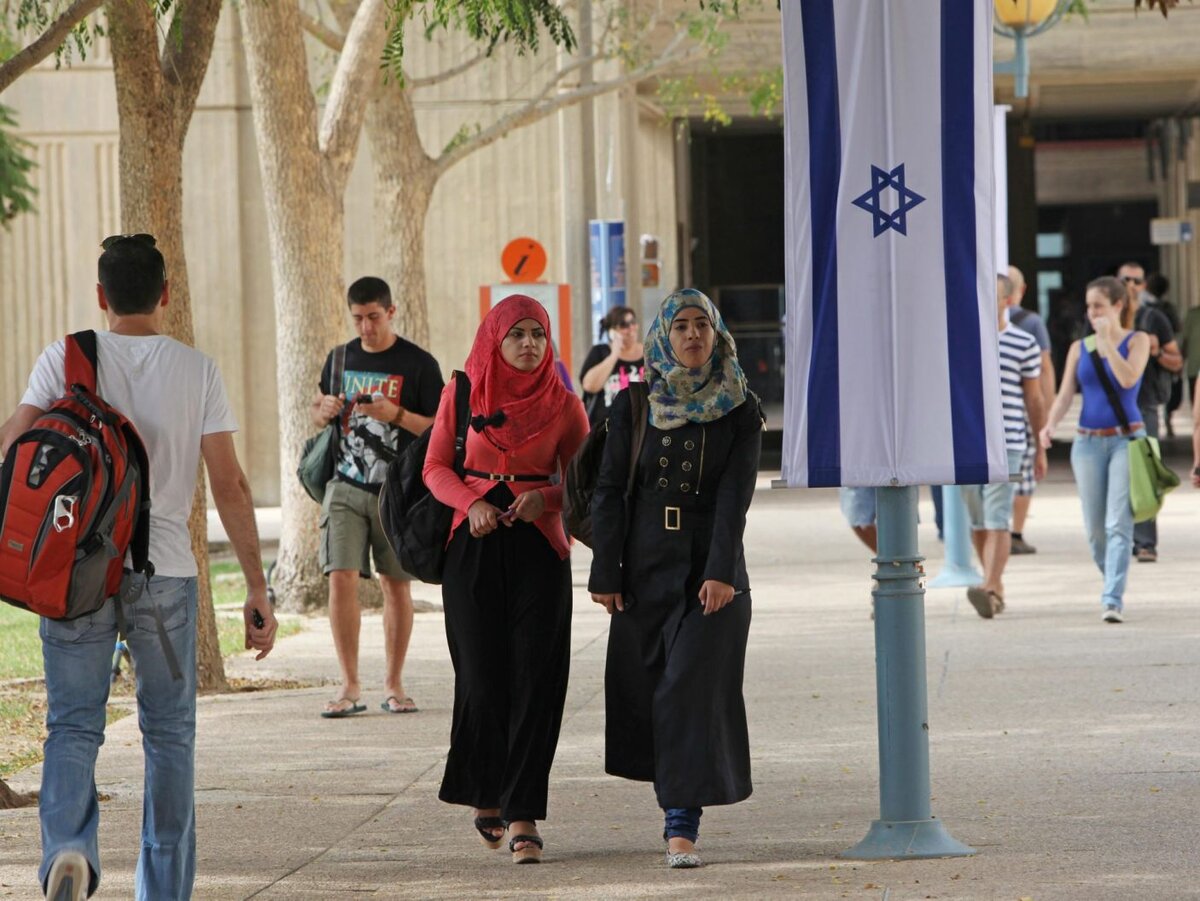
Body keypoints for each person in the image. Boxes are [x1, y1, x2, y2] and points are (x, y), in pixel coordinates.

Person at [0, 234, 277, 901]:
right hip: (166, 575)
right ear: (165, 293)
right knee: (169, 734)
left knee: (72, 723)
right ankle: (162, 890)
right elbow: (231, 483)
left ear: (101, 296)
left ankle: (68, 848)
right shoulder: (197, 369)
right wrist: (258, 586)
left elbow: (14, 447)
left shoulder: (64, 359)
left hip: (76, 574)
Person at [589, 289, 762, 870]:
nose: (692, 337)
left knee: (688, 688)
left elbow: (735, 497)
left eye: (702, 327)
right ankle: (675, 803)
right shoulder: (634, 404)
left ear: (717, 335)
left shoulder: (741, 407)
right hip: (642, 570)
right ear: (665, 336)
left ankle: (681, 823)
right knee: (652, 691)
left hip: (709, 572)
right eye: (681, 326)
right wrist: (605, 569)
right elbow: (610, 490)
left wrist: (720, 572)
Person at [423, 295, 588, 864]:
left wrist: (545, 497)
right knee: (481, 676)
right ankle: (484, 790)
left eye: (537, 334)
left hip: (539, 549)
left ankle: (523, 814)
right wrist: (470, 504)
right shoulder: (463, 391)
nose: (528, 344)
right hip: (472, 546)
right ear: (495, 339)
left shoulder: (566, 405)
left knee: (536, 682)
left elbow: (588, 486)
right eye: (516, 334)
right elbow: (435, 466)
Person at [310, 277, 444, 717]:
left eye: (373, 317)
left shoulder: (418, 363)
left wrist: (397, 414)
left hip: (397, 491)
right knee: (340, 576)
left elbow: (440, 430)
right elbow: (317, 411)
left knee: (395, 583)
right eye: (357, 319)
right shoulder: (340, 358)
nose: (365, 327)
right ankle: (348, 685)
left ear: (391, 312)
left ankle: (394, 683)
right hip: (345, 485)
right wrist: (322, 411)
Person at [1041, 276, 1150, 624]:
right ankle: (1112, 580)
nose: (1091, 313)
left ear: (1118, 306)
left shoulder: (1139, 340)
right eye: (1088, 306)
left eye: (1098, 306)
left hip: (1126, 440)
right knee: (1095, 529)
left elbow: (1128, 379)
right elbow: (1064, 395)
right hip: (1087, 442)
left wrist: (1106, 343)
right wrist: (1050, 425)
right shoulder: (1078, 348)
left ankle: (1112, 598)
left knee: (1119, 522)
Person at [962, 274, 1047, 619]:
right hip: (967, 445)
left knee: (998, 517)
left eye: (992, 296)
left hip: (1009, 441)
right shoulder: (963, 341)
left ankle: (990, 586)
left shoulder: (1024, 343)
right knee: (977, 520)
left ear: (1008, 302)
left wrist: (1039, 445)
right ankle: (993, 584)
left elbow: (1034, 398)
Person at [1116, 261, 1182, 563]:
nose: (1131, 285)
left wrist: (1155, 351)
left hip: (1144, 404)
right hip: (1111, 407)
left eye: (1137, 281)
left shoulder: (1153, 318)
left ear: (1144, 286)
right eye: (1125, 280)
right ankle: (1119, 539)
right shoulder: (1103, 315)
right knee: (1114, 477)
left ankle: (1145, 542)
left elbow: (1176, 361)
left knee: (1144, 473)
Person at [1004, 266, 1056, 555]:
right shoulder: (1032, 323)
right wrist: (1046, 412)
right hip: (1023, 410)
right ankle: (1015, 532)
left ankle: (988, 527)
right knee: (1024, 474)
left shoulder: (981, 317)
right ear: (1021, 291)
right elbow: (1045, 368)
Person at [579, 305, 645, 426]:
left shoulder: (649, 353)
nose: (631, 328)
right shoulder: (600, 352)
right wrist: (614, 355)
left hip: (640, 428)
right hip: (606, 430)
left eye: (633, 322)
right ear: (612, 331)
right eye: (624, 325)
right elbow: (589, 386)